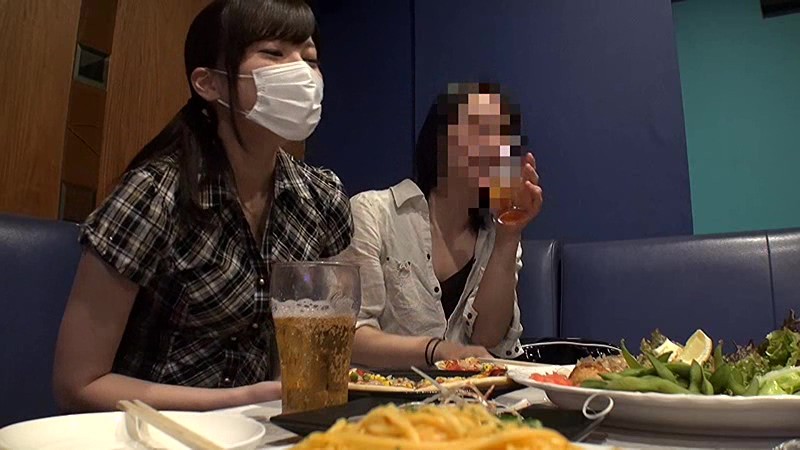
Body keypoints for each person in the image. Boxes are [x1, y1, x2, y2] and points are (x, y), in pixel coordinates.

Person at [53, 0, 352, 412]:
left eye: (310, 58)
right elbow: (78, 384)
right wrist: (240, 400)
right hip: (153, 431)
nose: (302, 73)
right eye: (274, 53)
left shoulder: (321, 197)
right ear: (208, 83)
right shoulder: (153, 195)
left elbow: (317, 339)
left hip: (263, 429)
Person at [339, 82, 543, 368]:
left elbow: (487, 337)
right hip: (383, 392)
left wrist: (509, 236)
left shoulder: (498, 232)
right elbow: (349, 336)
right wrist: (437, 351)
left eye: (505, 137)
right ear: (440, 140)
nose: (497, 145)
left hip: (470, 393)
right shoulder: (373, 213)